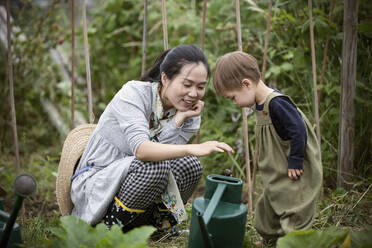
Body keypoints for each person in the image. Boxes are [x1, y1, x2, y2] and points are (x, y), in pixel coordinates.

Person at [70, 44, 233, 233]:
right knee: (160, 164)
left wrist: (178, 121)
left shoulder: (189, 112)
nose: (193, 94)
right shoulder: (134, 93)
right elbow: (143, 151)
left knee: (190, 165)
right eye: (187, 85)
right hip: (98, 180)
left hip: (137, 181)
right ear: (165, 78)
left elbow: (165, 155)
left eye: (201, 87)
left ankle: (152, 228)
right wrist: (192, 148)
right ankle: (106, 229)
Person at [212, 51, 322, 245]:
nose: (235, 103)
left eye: (233, 98)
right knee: (268, 206)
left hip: (294, 170)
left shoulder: (277, 103)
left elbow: (298, 129)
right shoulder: (260, 104)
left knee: (294, 207)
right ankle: (271, 238)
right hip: (277, 171)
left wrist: (295, 159)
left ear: (246, 84)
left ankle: (293, 242)